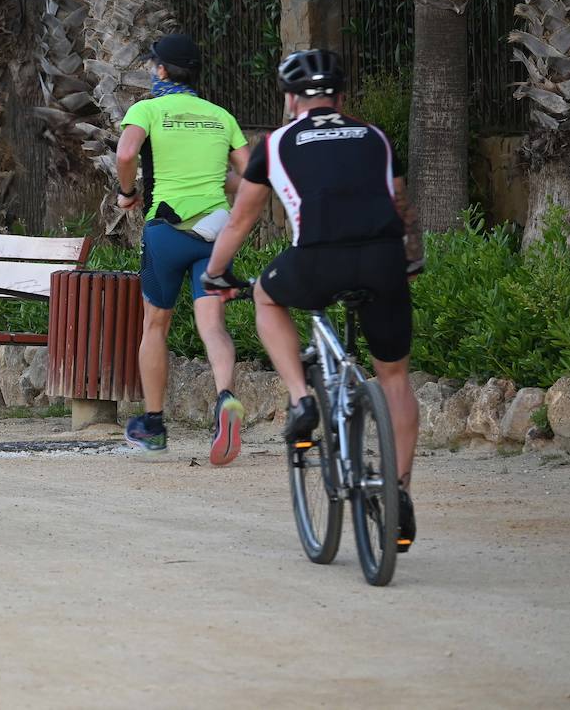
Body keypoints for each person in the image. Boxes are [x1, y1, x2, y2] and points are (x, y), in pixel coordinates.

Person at [201, 49, 425, 551]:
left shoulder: (276, 143)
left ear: (289, 99)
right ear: (342, 98)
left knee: (265, 295)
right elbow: (402, 207)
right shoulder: (376, 136)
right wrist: (411, 263)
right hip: (384, 260)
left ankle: (302, 399)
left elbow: (241, 220)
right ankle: (400, 493)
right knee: (394, 378)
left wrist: (216, 274)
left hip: (318, 262)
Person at [115, 34, 250, 463]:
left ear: (160, 70)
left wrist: (127, 191)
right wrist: (216, 186)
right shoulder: (220, 116)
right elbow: (250, 177)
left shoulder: (148, 109)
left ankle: (153, 425)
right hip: (217, 232)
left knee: (155, 325)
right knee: (213, 325)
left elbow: (126, 152)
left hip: (167, 229)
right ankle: (225, 397)